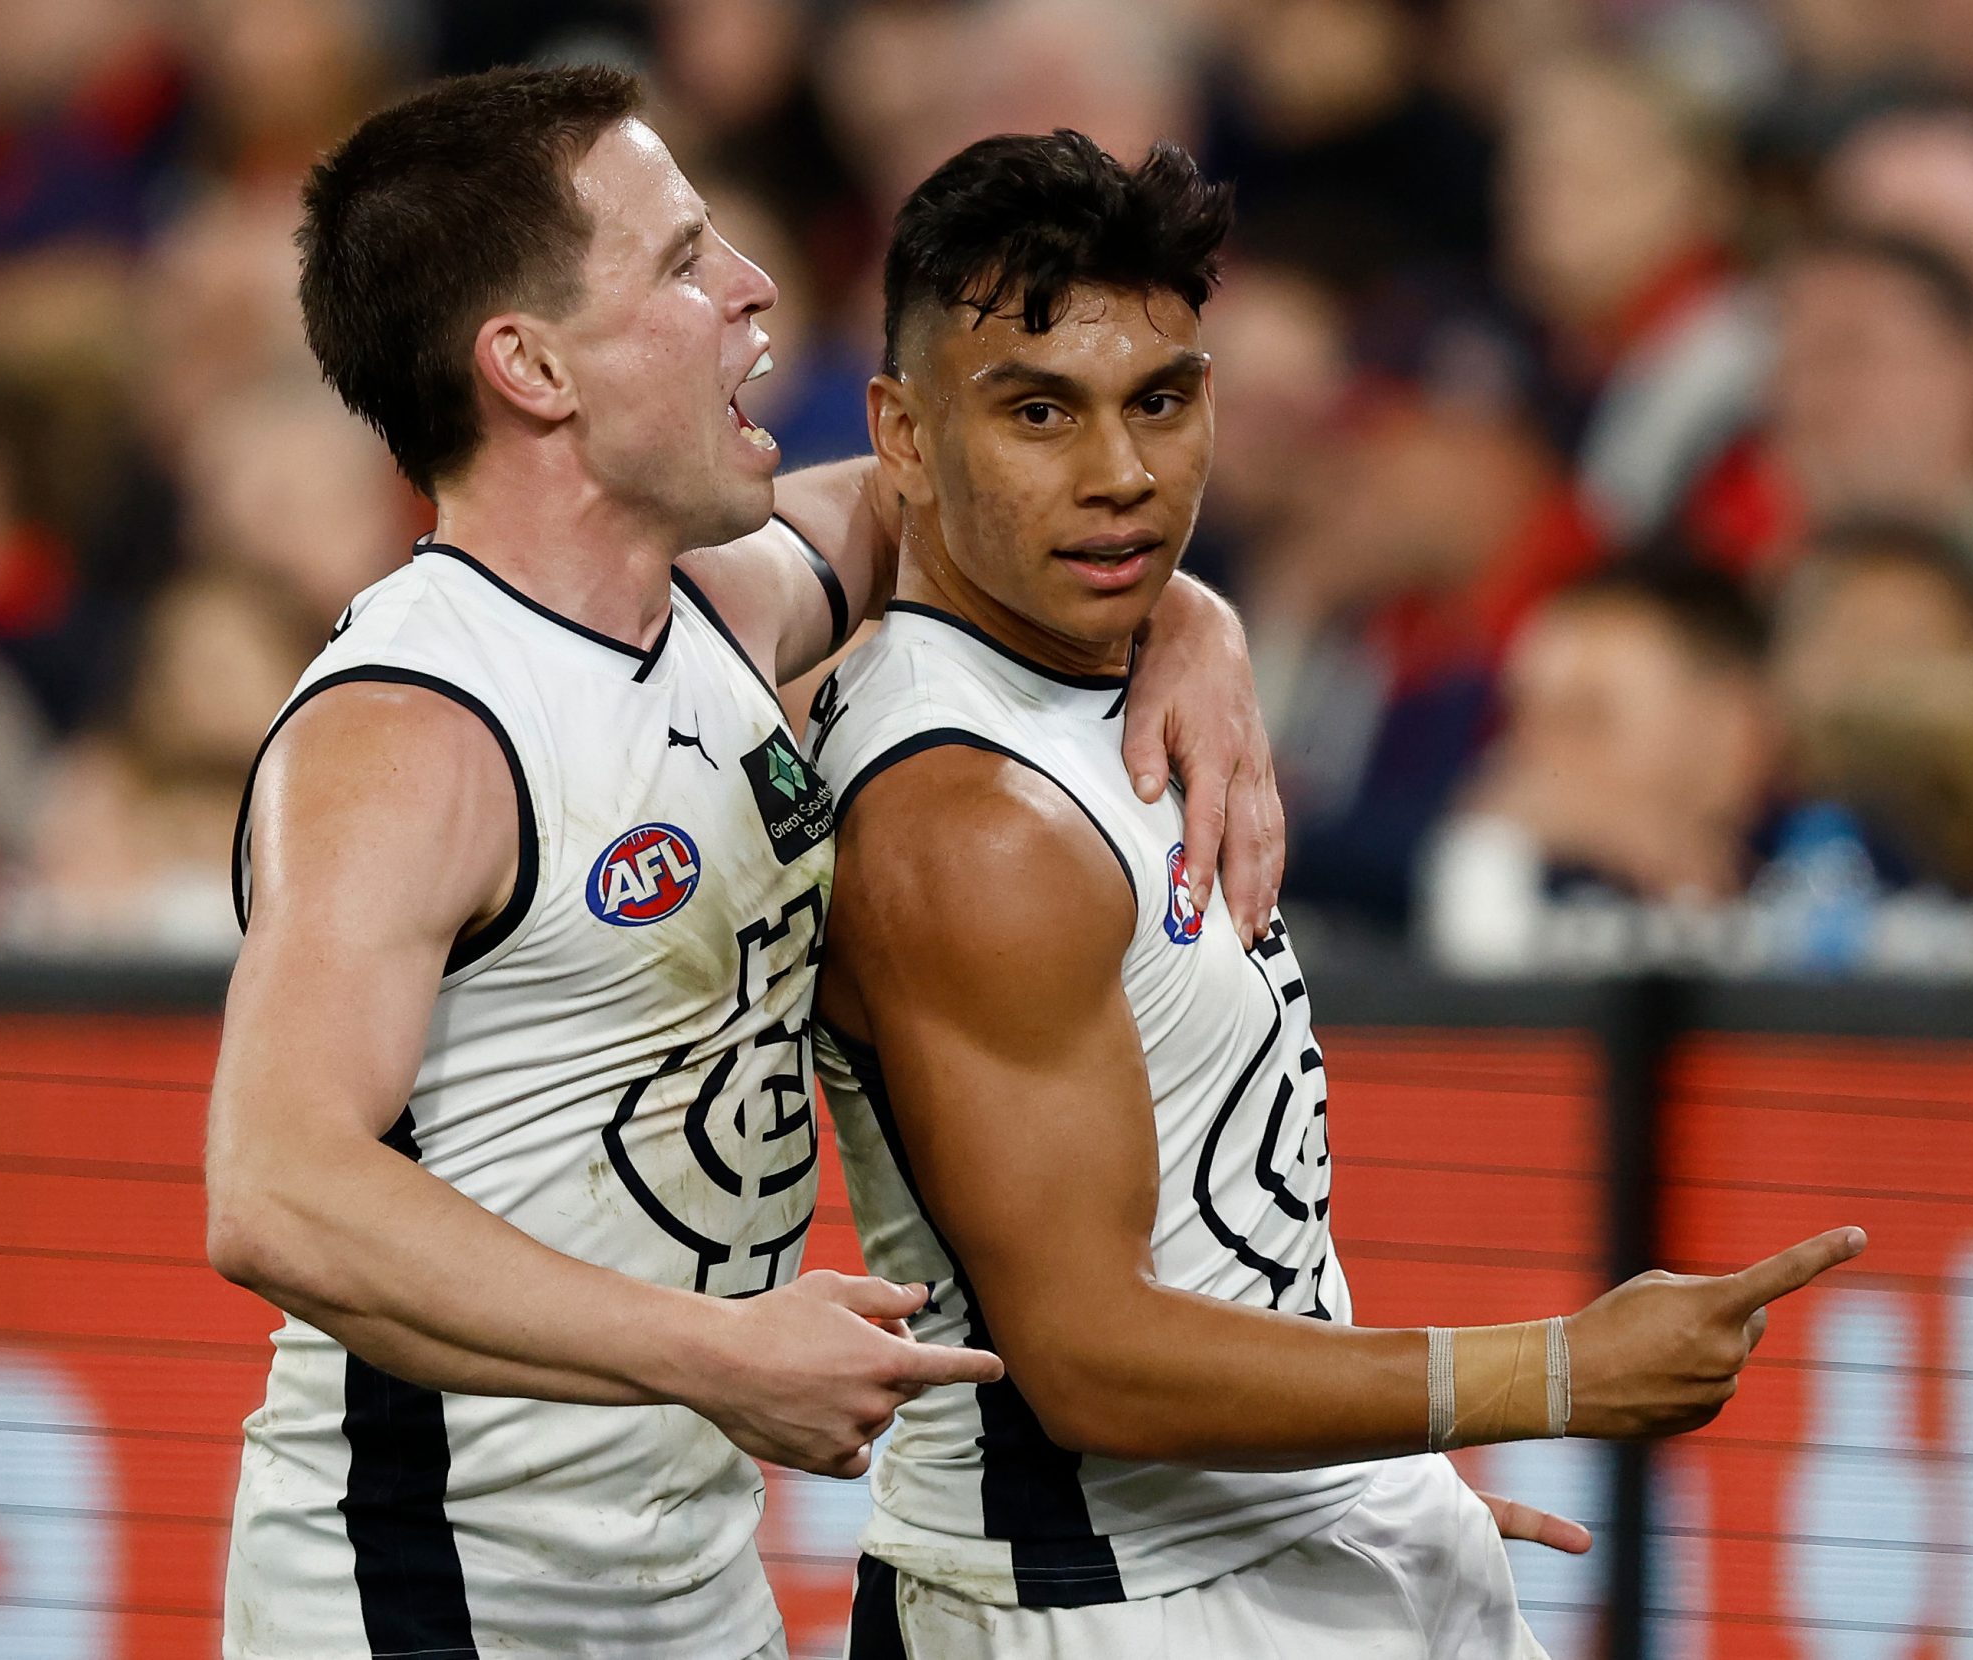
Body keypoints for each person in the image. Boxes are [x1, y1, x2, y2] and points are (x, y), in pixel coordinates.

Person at [204, 68, 1284, 1660]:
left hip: (687, 1592)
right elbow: (277, 1191)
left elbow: (984, 508)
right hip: (426, 1600)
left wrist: (1192, 616)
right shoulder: (413, 727)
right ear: (531, 365)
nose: (751, 289)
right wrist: (707, 1350)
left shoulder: (720, 601)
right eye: (682, 259)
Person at [809, 130, 1865, 1658]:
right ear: (901, 440)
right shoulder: (970, 820)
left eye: (1160, 402)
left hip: (1270, 1551)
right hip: (1106, 1608)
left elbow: (1204, 1236)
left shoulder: (1117, 673)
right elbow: (1090, 1360)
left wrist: (1347, 1487)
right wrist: (1552, 1376)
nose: (1118, 474)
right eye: (1037, 412)